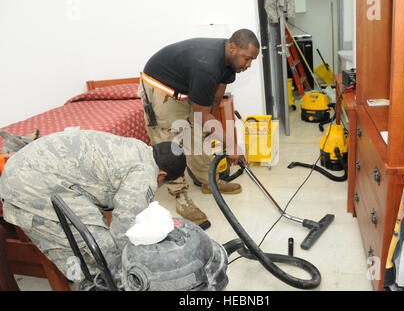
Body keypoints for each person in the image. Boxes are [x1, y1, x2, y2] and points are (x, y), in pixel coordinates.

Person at [0, 129, 186, 284]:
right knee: (101, 252)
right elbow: (124, 230)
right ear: (162, 174)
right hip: (30, 185)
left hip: (30, 167)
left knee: (87, 245)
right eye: (161, 183)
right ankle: (96, 284)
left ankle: (92, 281)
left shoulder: (138, 147)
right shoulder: (145, 173)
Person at [138, 28, 260, 228]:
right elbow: (205, 114)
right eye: (247, 59)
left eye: (252, 61)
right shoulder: (207, 66)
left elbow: (217, 95)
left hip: (184, 87)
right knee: (171, 144)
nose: (248, 65)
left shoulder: (230, 62)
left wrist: (206, 123)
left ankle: (208, 181)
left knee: (198, 134)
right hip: (160, 86)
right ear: (232, 48)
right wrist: (231, 145)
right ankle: (181, 198)